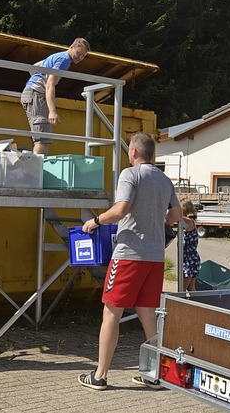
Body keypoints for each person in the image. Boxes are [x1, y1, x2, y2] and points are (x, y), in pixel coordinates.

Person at [77, 132, 182, 391]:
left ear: (133, 152)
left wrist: (96, 220)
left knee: (111, 313)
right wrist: (155, 217)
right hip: (155, 257)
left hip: (129, 256)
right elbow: (176, 215)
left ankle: (99, 376)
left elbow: (121, 209)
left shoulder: (130, 174)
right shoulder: (164, 179)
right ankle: (156, 374)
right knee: (148, 316)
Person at [20, 38, 90, 155]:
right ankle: (36, 172)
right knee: (42, 140)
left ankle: (33, 168)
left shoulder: (57, 56)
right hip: (36, 94)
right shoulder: (65, 60)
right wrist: (52, 111)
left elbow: (33, 68)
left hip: (31, 93)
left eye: (83, 56)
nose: (80, 58)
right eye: (78, 53)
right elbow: (50, 84)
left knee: (40, 137)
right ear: (71, 47)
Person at [181, 200, 201, 292]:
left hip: (189, 260)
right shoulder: (189, 222)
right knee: (191, 288)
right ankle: (196, 305)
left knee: (182, 289)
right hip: (192, 259)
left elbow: (175, 217)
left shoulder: (188, 221)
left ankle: (183, 306)